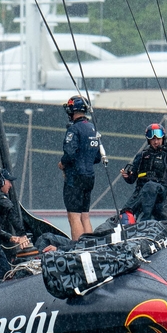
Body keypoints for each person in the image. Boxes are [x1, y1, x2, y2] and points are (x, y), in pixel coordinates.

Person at [118, 124, 167, 221]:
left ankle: (144, 222)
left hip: (159, 191)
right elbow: (132, 179)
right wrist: (127, 176)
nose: (156, 142)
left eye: (158, 138)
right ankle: (128, 224)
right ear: (148, 140)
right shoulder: (141, 156)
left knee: (150, 186)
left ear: (163, 138)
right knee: (125, 215)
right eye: (153, 139)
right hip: (140, 192)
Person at [59, 94, 105, 238]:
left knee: (74, 216)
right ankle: (90, 246)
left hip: (75, 177)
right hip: (89, 177)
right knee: (85, 216)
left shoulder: (74, 130)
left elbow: (70, 154)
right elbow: (97, 157)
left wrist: (62, 163)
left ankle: (78, 248)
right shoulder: (93, 129)